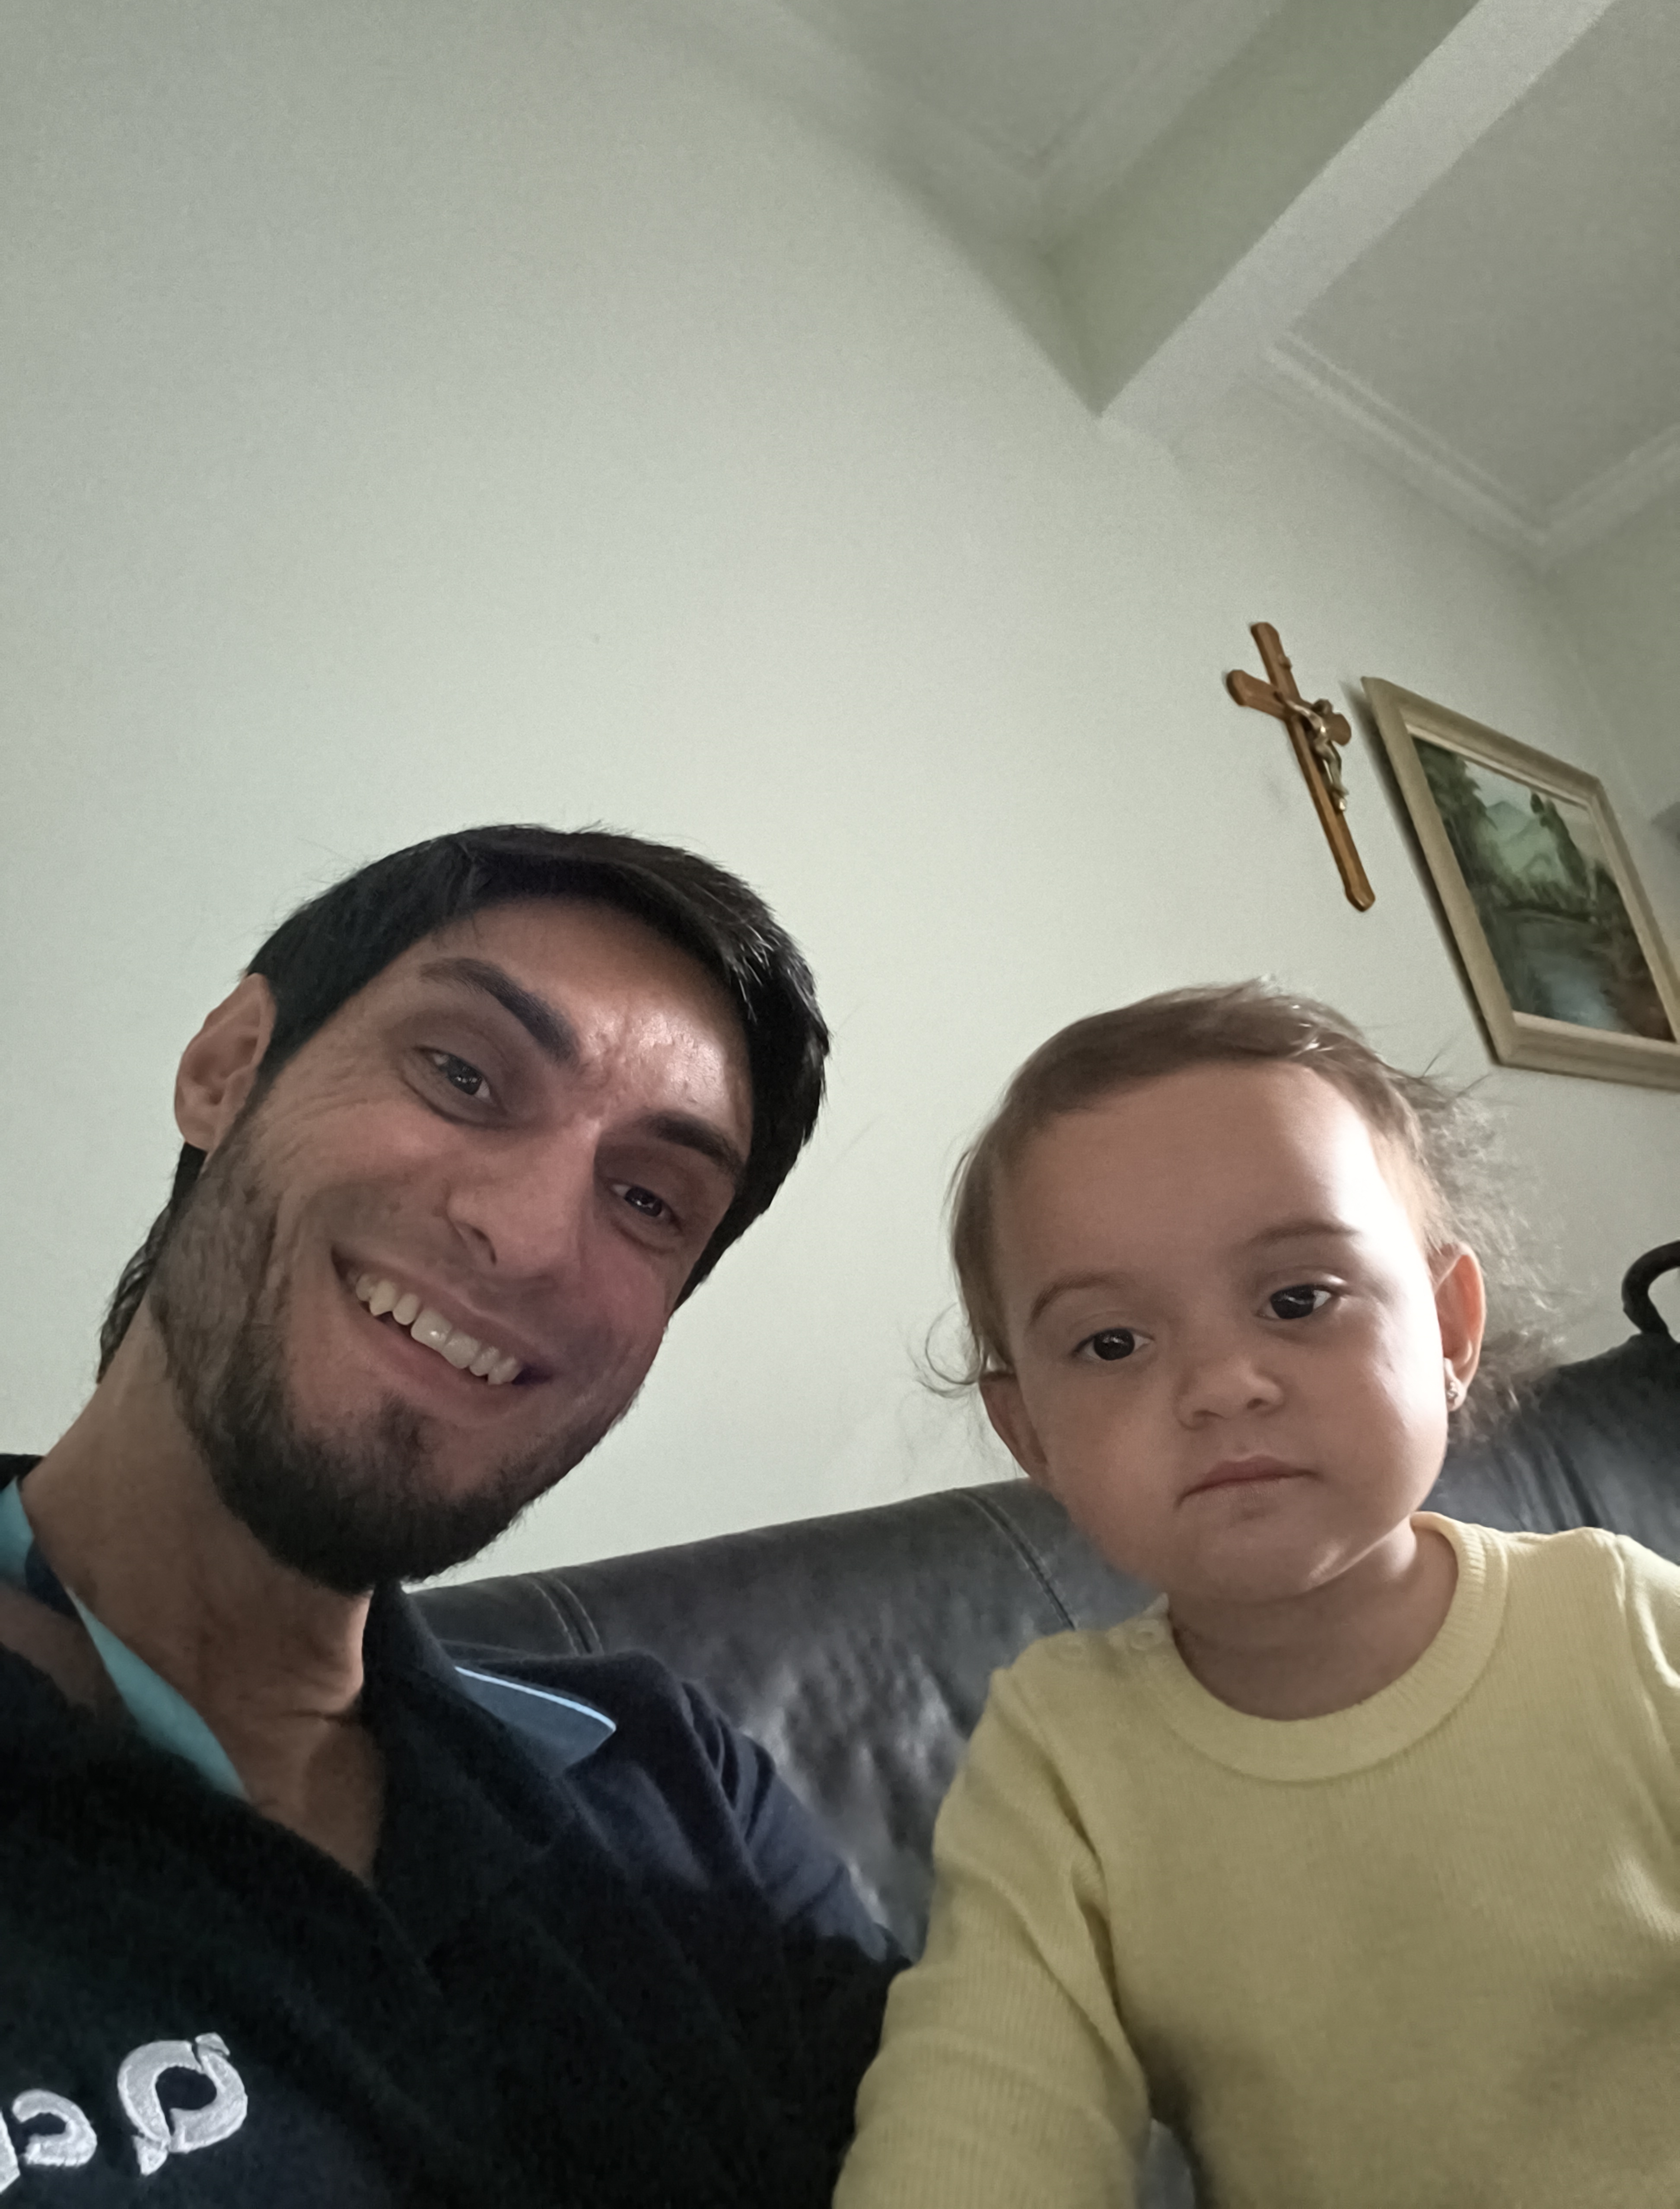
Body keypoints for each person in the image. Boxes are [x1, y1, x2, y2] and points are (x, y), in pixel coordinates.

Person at [1, 824, 897, 2208]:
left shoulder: (678, 1786)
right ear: (228, 1067)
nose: (530, 1238)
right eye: (464, 1074)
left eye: (649, 1200)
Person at [837, 983, 1680, 2209]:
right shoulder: (1062, 1757)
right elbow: (981, 2112)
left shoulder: (1619, 1623)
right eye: (1113, 1344)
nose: (1223, 1384)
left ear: (1449, 1332)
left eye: (1298, 1300)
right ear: (1031, 1436)